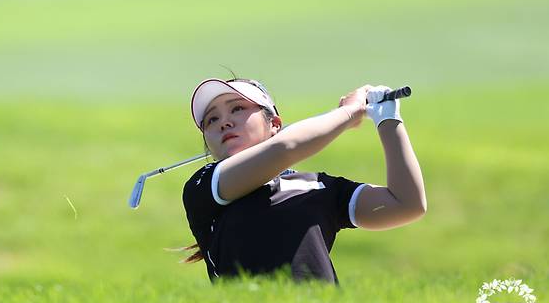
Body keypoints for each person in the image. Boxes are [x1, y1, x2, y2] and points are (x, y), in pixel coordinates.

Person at [180, 76, 427, 285]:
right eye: (212, 120)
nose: (224, 122)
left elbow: (407, 204)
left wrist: (388, 120)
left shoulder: (316, 186)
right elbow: (286, 148)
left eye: (238, 109)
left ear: (275, 124)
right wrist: (348, 113)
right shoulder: (203, 186)